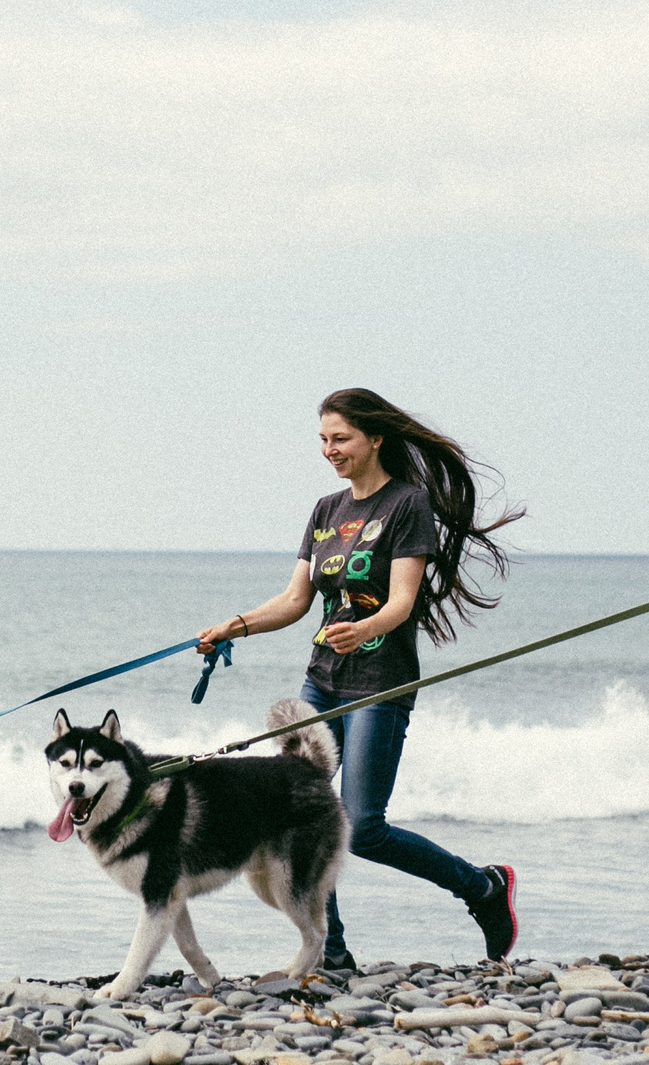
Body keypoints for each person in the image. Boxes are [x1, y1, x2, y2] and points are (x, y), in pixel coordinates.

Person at [198, 388, 523, 971]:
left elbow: (402, 601)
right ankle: (333, 953)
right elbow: (297, 601)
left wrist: (365, 625)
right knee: (304, 813)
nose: (330, 450)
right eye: (323, 440)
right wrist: (234, 627)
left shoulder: (407, 505)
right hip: (322, 682)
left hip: (380, 682)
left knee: (364, 827)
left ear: (375, 438)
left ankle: (482, 888)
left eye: (340, 438)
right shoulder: (326, 512)